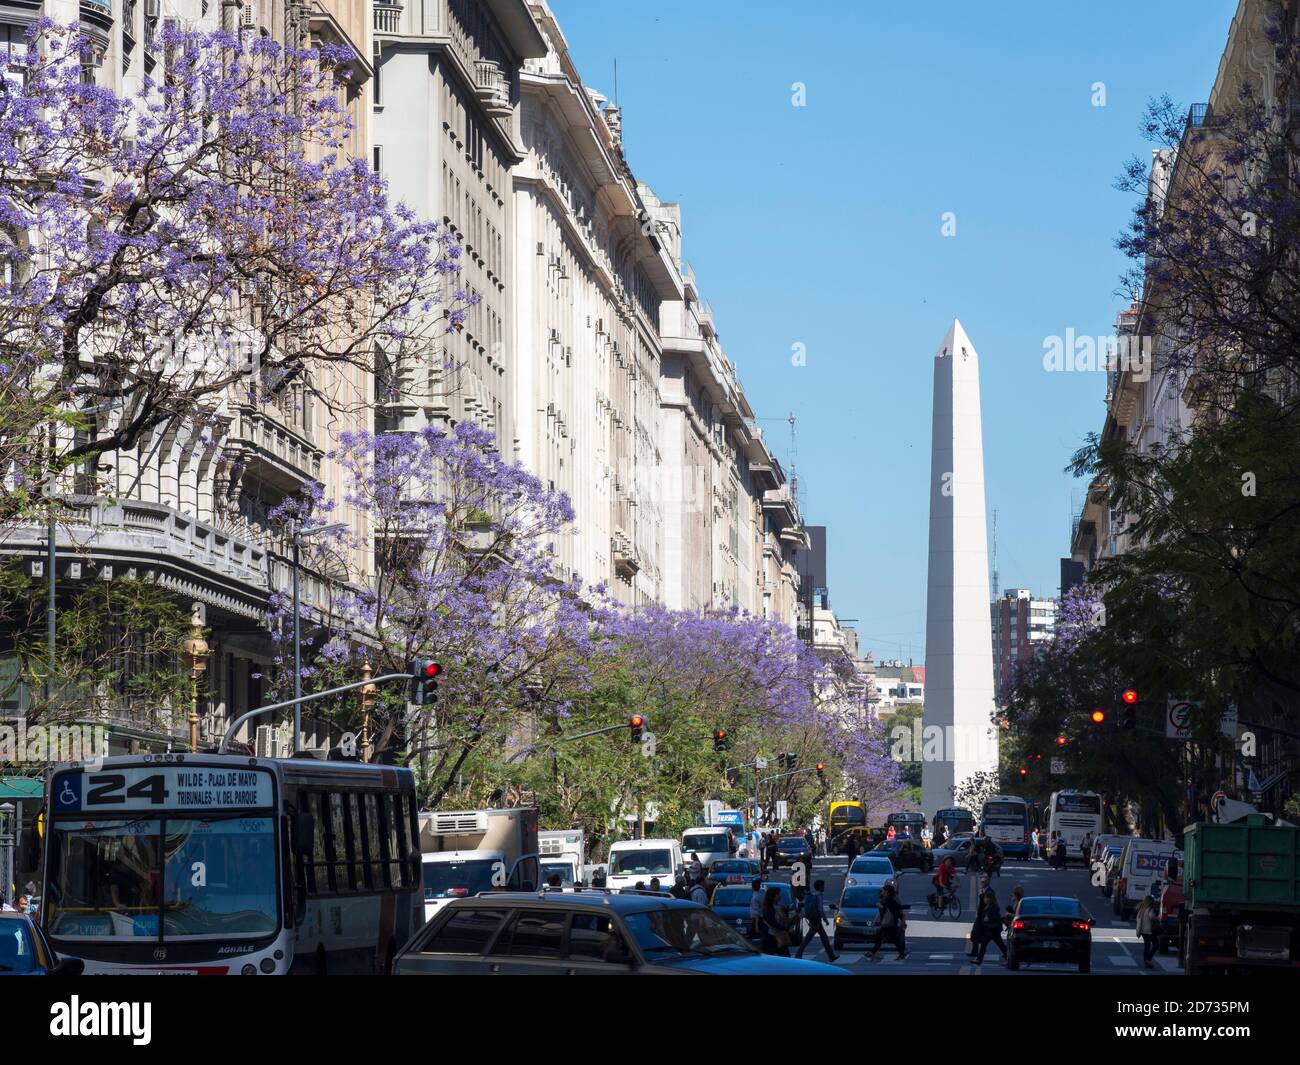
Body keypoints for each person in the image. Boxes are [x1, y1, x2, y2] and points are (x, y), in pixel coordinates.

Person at [796, 879, 838, 961]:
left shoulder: (814, 895)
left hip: (814, 920)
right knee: (809, 938)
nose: (824, 887)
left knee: (824, 939)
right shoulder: (819, 896)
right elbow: (820, 909)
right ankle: (798, 954)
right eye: (823, 886)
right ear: (819, 887)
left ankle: (831, 956)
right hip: (816, 921)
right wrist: (825, 919)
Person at [866, 881, 907, 960]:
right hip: (890, 922)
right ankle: (873, 953)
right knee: (882, 937)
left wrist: (879, 905)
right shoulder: (891, 899)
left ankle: (901, 954)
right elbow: (899, 912)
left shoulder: (889, 900)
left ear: (887, 891)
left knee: (892, 939)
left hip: (890, 923)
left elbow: (886, 909)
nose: (883, 892)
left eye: (884, 890)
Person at [972, 889, 1007, 964]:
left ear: (989, 899)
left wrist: (988, 918)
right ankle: (979, 959)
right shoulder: (989, 906)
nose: (984, 899)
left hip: (993, 929)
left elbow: (996, 917)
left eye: (985, 898)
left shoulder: (993, 907)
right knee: (987, 945)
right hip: (990, 929)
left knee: (999, 945)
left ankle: (979, 959)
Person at [759, 886, 791, 956]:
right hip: (771, 936)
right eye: (779, 894)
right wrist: (785, 928)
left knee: (784, 956)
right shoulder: (768, 908)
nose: (780, 896)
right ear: (774, 896)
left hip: (777, 935)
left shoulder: (779, 906)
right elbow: (773, 923)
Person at [1135, 892, 1159, 968]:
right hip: (1149, 931)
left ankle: (1146, 960)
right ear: (1151, 902)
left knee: (1147, 945)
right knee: (1156, 944)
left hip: (1142, 931)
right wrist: (1158, 918)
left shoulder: (1142, 909)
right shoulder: (1150, 909)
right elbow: (1151, 917)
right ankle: (1148, 959)